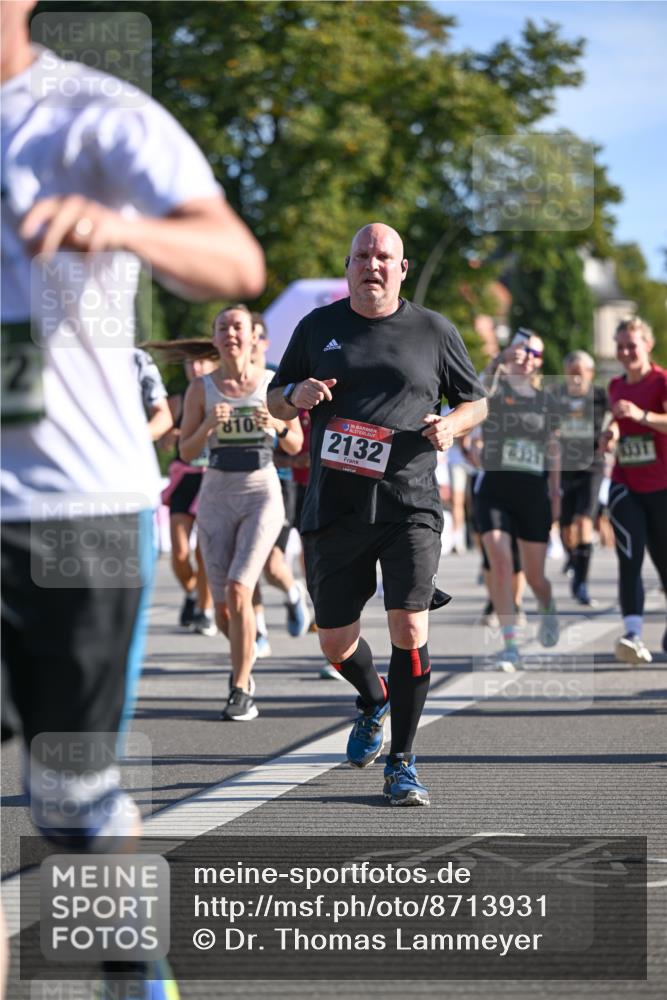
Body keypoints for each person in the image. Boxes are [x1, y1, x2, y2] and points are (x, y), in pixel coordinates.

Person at [1, 4, 265, 996]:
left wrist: (117, 226)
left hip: (78, 508)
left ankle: (133, 966)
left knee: (69, 803)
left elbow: (235, 261)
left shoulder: (90, 115)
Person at [267, 222, 487, 806]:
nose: (373, 263)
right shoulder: (318, 327)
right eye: (362, 255)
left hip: (408, 503)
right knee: (335, 643)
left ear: (402, 268)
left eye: (383, 256)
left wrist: (451, 425)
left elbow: (476, 400)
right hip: (336, 507)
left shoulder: (434, 331)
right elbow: (273, 396)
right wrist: (295, 397)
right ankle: (373, 700)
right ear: (348, 266)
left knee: (409, 627)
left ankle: (403, 761)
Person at [179, 305, 303, 720]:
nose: (231, 333)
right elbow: (186, 451)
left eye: (238, 327)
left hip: (260, 490)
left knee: (239, 588)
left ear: (254, 337)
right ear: (214, 339)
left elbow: (295, 443)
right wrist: (207, 427)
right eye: (223, 328)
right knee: (222, 609)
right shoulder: (202, 388)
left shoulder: (271, 383)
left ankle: (239, 686)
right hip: (216, 492)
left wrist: (279, 424)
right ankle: (245, 669)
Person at [473, 331, 561, 671]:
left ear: (540, 362)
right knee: (500, 562)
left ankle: (548, 606)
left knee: (536, 576)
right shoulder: (496, 390)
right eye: (521, 350)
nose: (526, 356)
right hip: (493, 489)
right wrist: (497, 360)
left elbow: (554, 451)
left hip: (532, 493)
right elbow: (477, 394)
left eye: (534, 353)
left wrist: (556, 493)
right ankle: (510, 646)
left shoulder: (547, 400)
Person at [601, 317, 667, 664]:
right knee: (630, 557)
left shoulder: (662, 381)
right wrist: (609, 434)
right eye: (621, 346)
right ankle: (633, 634)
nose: (626, 352)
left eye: (632, 345)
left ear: (648, 345)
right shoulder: (615, 385)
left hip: (662, 486)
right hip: (625, 484)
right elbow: (614, 421)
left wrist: (642, 415)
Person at [157, 354, 219, 635]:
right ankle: (193, 592)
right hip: (185, 479)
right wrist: (169, 437)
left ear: (213, 364)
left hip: (213, 478)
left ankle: (205, 611)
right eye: (190, 362)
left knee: (203, 551)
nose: (195, 366)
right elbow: (163, 440)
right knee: (179, 552)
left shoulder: (221, 393)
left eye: (201, 361)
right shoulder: (176, 401)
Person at [551, 350, 609, 606]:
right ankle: (574, 558)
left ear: (590, 373)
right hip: (564, 465)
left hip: (592, 465)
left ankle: (581, 583)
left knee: (584, 519)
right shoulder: (557, 396)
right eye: (571, 373)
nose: (575, 378)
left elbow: (615, 419)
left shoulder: (600, 396)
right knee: (565, 526)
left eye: (580, 373)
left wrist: (612, 434)